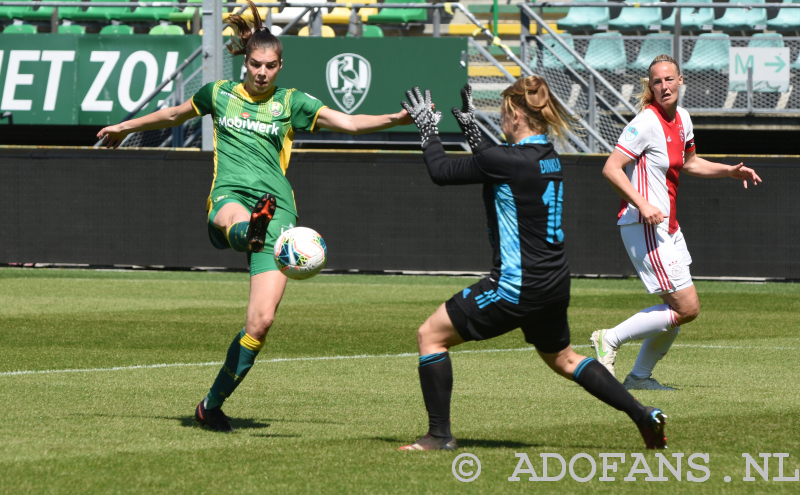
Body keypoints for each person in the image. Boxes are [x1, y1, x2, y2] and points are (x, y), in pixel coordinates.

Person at [96, 0, 411, 431]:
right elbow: (173, 113)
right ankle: (250, 229)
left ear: (281, 66)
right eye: (256, 64)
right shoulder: (219, 95)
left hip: (279, 211)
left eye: (270, 66)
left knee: (260, 323)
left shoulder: (292, 103)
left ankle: (210, 406)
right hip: (229, 196)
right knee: (231, 220)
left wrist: (397, 117)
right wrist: (125, 126)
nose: (262, 72)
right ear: (245, 61)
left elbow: (351, 124)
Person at [397, 79, 668, 451]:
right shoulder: (547, 155)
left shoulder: (506, 160)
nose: (501, 120)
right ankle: (642, 414)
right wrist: (470, 126)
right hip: (553, 282)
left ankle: (438, 436)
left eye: (503, 114)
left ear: (515, 115)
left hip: (516, 285)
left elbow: (442, 171)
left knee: (430, 335)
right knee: (565, 358)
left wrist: (428, 128)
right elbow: (499, 163)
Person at [592, 54, 762, 390]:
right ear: (650, 87)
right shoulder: (645, 122)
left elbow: (690, 163)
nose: (664, 86)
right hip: (643, 224)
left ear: (681, 81)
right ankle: (608, 340)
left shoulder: (682, 118)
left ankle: (639, 377)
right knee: (687, 307)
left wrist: (728, 170)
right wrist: (642, 204)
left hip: (668, 225)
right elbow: (611, 168)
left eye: (669, 79)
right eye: (657, 81)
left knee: (677, 313)